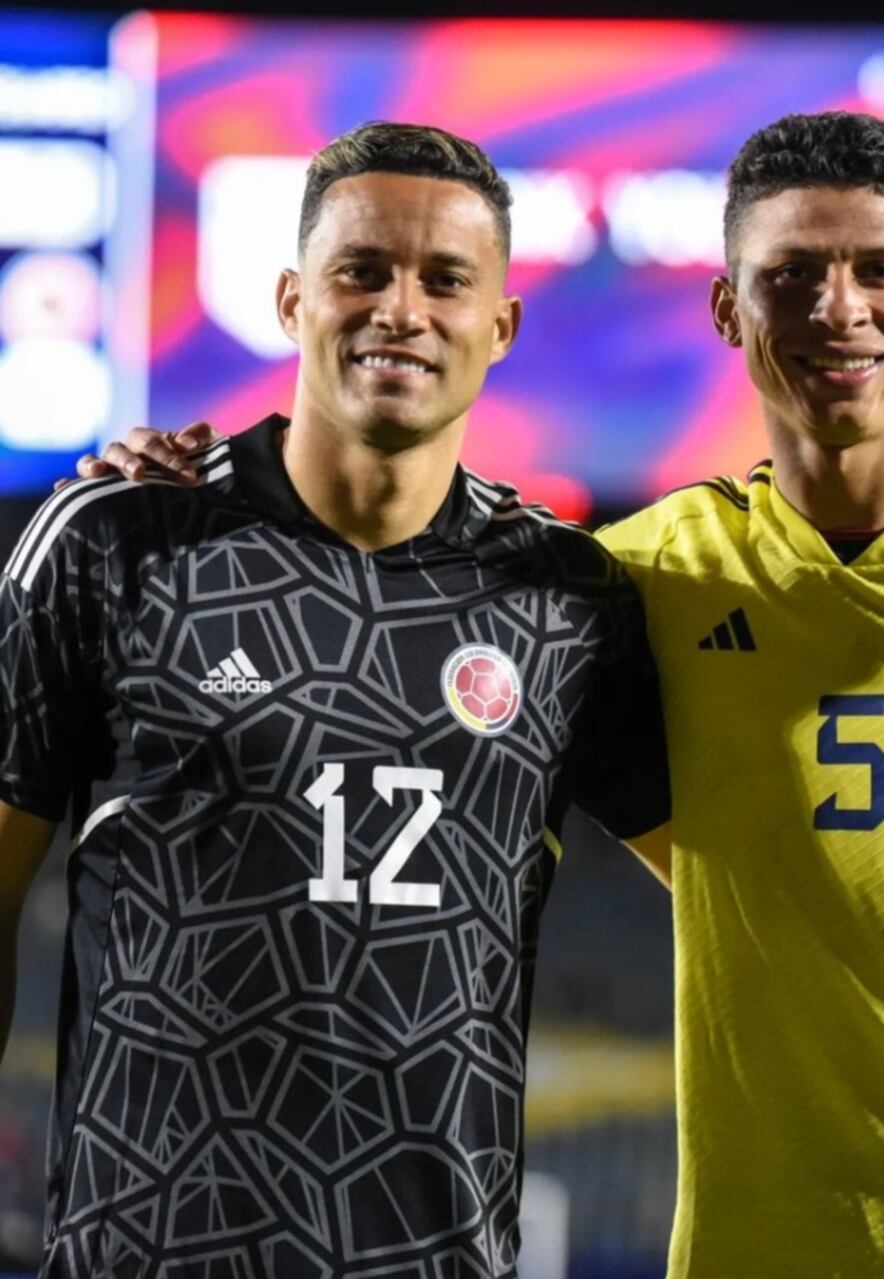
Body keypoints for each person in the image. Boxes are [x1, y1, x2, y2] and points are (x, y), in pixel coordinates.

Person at [75, 112, 884, 1279]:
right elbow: (395, 563)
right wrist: (185, 482)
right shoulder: (636, 579)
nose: (838, 309)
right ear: (725, 308)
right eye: (792, 273)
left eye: (880, 271)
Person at [0, 121, 669, 1278]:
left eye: (445, 279)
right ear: (291, 299)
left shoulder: (570, 600)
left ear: (500, 325)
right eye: (361, 270)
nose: (400, 308)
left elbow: (741, 899)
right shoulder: (117, 541)